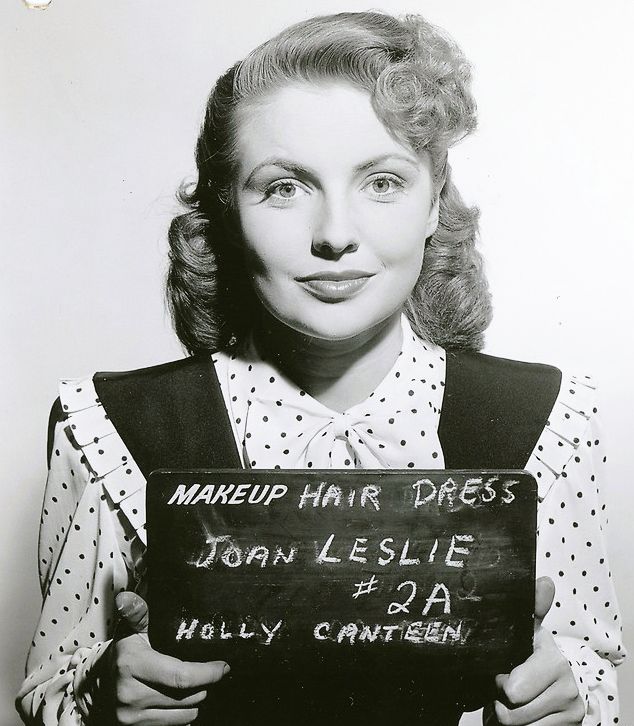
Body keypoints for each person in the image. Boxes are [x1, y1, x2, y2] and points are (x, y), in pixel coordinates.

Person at [17, 10, 625, 726]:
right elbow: (47, 685)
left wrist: (566, 700)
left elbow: (596, 675)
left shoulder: (549, 424)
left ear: (434, 201)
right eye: (284, 187)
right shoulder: (110, 432)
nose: (335, 235)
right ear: (224, 210)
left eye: (383, 183)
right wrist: (96, 699)